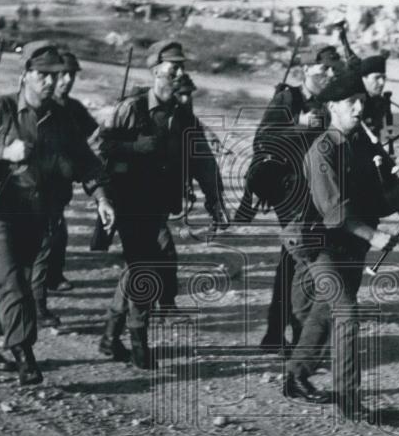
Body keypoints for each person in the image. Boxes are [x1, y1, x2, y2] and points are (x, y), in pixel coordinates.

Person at [0, 42, 114, 385]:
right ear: (25, 75)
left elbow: (86, 162)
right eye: (43, 75)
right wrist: (2, 151)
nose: (51, 82)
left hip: (38, 211)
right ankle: (24, 353)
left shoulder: (63, 117)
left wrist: (101, 197)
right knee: (15, 281)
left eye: (57, 76)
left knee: (10, 279)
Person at [283, 70, 399, 421]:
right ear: (331, 106)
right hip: (318, 242)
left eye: (361, 101)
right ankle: (348, 398)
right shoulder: (321, 150)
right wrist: (375, 236)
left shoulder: (364, 143)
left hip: (350, 244)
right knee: (345, 311)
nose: (358, 108)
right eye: (350, 102)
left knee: (325, 312)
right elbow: (335, 211)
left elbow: (382, 191)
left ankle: (296, 376)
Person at [97, 40, 227, 369]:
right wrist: (132, 147)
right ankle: (139, 341)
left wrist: (215, 200)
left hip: (157, 204)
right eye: (173, 67)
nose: (179, 72)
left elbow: (204, 161)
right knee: (144, 266)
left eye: (181, 67)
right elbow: (98, 150)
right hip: (127, 201)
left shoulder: (183, 116)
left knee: (139, 267)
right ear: (155, 71)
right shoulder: (131, 108)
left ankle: (110, 336)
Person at [237, 47, 340, 354]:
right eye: (322, 71)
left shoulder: (329, 102)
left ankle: (275, 332)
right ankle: (296, 337)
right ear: (303, 73)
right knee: (303, 259)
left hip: (316, 189)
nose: (328, 76)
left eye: (332, 71)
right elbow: (263, 139)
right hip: (288, 190)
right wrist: (301, 125)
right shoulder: (288, 98)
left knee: (292, 259)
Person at [43, 50, 100, 301]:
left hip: (60, 185)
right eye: (63, 74)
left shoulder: (74, 108)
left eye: (71, 75)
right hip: (38, 182)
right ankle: (40, 296)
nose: (67, 80)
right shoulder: (42, 106)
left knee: (58, 232)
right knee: (45, 237)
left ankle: (53, 276)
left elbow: (94, 135)